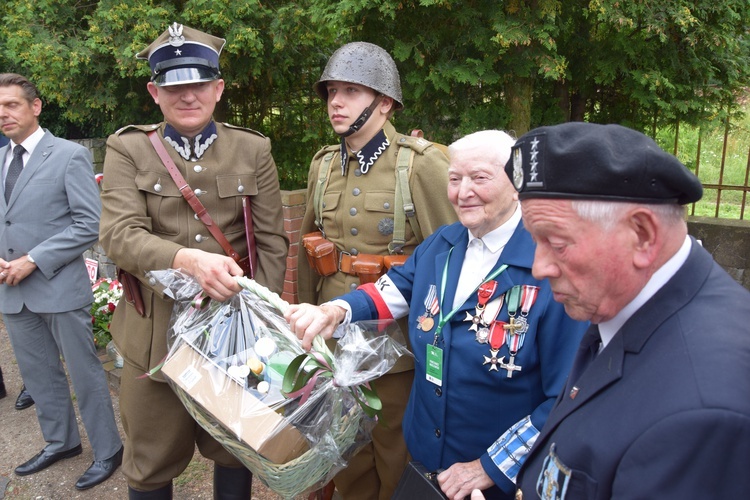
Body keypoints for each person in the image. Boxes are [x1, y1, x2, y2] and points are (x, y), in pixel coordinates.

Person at [288, 130, 587, 500]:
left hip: (496, 481)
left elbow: (568, 400)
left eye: (479, 178)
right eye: (455, 179)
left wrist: (489, 467)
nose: (463, 192)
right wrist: (336, 310)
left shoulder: (552, 272)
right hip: (425, 460)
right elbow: (396, 288)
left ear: (517, 184)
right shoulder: (442, 244)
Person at [508, 122, 750, 499]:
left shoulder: (700, 414)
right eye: (534, 240)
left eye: (556, 243)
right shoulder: (626, 304)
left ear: (642, 235)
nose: (539, 267)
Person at [99, 23, 288, 499]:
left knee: (235, 448)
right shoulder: (128, 148)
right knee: (151, 459)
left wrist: (258, 327)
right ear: (154, 93)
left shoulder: (253, 148)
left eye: (199, 84)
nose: (188, 95)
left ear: (218, 88)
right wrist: (185, 260)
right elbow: (119, 236)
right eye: (174, 86)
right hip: (154, 333)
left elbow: (270, 242)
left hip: (234, 325)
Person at [296, 41, 458, 499]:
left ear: (384, 103)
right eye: (331, 92)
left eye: (351, 91)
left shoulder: (422, 165)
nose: (336, 102)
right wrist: (306, 320)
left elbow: (452, 259)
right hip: (336, 340)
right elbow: (311, 251)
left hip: (399, 346)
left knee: (396, 458)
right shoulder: (324, 165)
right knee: (345, 456)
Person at [0, 73, 123, 490]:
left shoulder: (68, 155)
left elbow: (89, 224)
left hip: (57, 286)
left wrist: (33, 260)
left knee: (85, 373)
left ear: (35, 107)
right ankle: (61, 442)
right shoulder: (0, 159)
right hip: (12, 293)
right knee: (38, 374)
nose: (4, 114)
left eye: (12, 105)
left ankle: (108, 450)